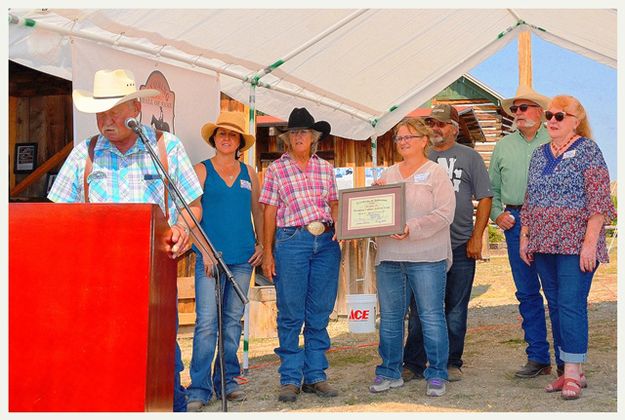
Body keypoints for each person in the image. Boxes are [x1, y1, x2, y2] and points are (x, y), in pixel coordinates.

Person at [47, 69, 202, 412]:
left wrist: (183, 228)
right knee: (104, 357)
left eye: (115, 109)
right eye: (101, 111)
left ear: (135, 109)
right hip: (98, 280)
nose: (107, 118)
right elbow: (59, 217)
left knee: (163, 357)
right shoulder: (83, 155)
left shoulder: (166, 148)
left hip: (155, 277)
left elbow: (191, 205)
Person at [520, 95, 615, 400]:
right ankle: (569, 370)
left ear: (577, 120)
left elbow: (599, 200)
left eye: (560, 116)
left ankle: (572, 373)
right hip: (544, 242)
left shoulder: (588, 150)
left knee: (572, 304)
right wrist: (525, 235)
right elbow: (530, 198)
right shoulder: (538, 154)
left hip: (576, 244)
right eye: (549, 115)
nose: (552, 121)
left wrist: (590, 244)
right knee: (556, 305)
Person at [402, 104, 492, 383]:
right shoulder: (418, 157)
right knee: (419, 308)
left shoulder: (470, 157)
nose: (435, 129)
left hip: (459, 244)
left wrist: (477, 237)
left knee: (455, 307)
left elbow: (485, 198)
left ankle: (452, 361)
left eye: (440, 124)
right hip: (423, 246)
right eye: (431, 123)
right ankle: (414, 362)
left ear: (453, 127)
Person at [259, 107, 341, 403]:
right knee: (291, 312)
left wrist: (342, 228)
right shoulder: (276, 170)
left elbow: (334, 204)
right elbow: (268, 211)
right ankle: (290, 377)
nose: (299, 137)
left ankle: (316, 375)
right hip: (292, 240)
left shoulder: (326, 168)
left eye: (304, 132)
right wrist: (268, 252)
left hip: (326, 242)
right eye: (293, 132)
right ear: (287, 139)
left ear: (314, 137)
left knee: (319, 310)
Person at [370, 118, 455, 397]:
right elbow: (376, 212)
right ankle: (389, 371)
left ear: (424, 140)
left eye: (409, 136)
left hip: (427, 256)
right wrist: (371, 203)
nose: (403, 141)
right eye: (399, 137)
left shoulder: (436, 173)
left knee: (431, 316)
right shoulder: (387, 175)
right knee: (391, 317)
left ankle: (437, 373)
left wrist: (412, 229)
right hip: (390, 256)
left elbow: (445, 214)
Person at [185, 111, 264, 411]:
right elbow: (190, 214)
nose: (226, 138)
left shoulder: (250, 172)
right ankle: (199, 387)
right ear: (214, 139)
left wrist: (262, 245)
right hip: (209, 259)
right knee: (207, 323)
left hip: (243, 258)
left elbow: (257, 212)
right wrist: (203, 250)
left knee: (232, 323)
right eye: (221, 134)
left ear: (240, 141)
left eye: (232, 134)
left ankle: (227, 380)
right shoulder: (201, 170)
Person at [490, 85, 556, 378]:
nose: (518, 114)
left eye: (524, 108)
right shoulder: (504, 145)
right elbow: (491, 189)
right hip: (515, 221)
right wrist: (497, 215)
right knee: (527, 292)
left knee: (556, 291)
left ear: (540, 113)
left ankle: (568, 360)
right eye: (514, 109)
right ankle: (538, 357)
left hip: (551, 220)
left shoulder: (557, 138)